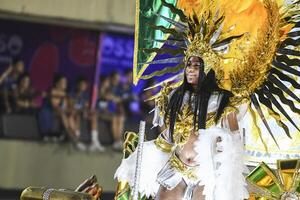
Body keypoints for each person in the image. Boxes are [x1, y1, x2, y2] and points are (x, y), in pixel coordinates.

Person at [69, 76, 105, 152]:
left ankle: (94, 141)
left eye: (84, 85)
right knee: (77, 116)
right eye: (81, 85)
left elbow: (87, 106)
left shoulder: (86, 95)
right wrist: (80, 110)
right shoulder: (72, 94)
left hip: (83, 113)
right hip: (74, 113)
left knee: (94, 116)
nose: (83, 86)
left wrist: (87, 111)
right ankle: (77, 141)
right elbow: (71, 106)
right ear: (78, 85)